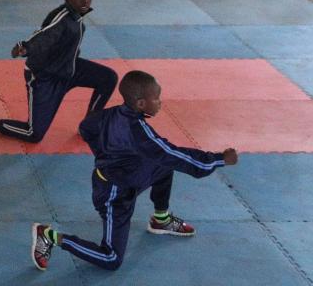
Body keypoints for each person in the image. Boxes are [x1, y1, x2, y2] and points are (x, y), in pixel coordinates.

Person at [30, 70, 237, 273]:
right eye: (156, 98)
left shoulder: (110, 113)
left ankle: (161, 218)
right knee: (111, 259)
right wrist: (219, 159)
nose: (160, 103)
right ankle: (50, 236)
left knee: (163, 166)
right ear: (140, 103)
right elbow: (174, 153)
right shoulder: (138, 131)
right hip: (114, 194)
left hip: (130, 175)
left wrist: (105, 154)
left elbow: (86, 127)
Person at [0, 0, 118, 142]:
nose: (85, 0)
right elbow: (44, 35)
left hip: (68, 68)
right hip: (45, 77)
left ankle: (89, 126)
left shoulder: (78, 15)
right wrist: (25, 47)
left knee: (108, 78)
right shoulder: (61, 18)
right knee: (34, 134)